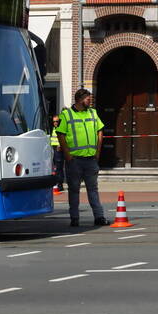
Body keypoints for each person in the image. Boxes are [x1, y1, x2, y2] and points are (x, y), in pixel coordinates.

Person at [55, 88, 108, 228]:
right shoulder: (67, 115)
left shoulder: (93, 112)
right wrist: (67, 154)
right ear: (79, 99)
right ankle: (74, 218)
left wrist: (98, 151)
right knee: (74, 190)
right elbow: (60, 134)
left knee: (93, 189)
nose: (90, 101)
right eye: (87, 99)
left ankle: (99, 216)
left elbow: (100, 131)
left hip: (91, 159)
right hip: (75, 160)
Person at [49, 114, 65, 193]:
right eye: (54, 121)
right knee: (53, 168)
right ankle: (55, 183)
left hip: (59, 150)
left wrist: (60, 145)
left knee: (59, 168)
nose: (55, 123)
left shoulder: (61, 129)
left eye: (57, 121)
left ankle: (60, 184)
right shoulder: (52, 129)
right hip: (52, 149)